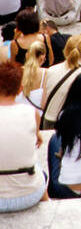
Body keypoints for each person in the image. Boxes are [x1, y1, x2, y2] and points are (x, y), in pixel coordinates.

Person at [0, 59, 47, 212]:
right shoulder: (31, 113)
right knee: (38, 166)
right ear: (20, 89)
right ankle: (47, 204)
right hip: (28, 196)